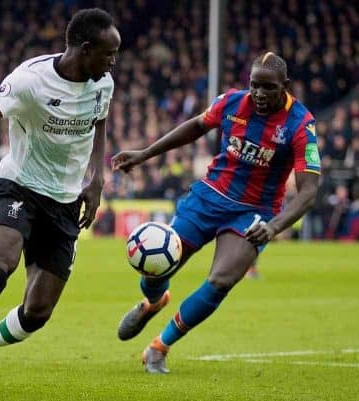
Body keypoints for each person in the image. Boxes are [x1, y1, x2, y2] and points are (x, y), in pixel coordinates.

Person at [0, 8, 120, 399]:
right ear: (85, 49)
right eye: (108, 53)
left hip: (66, 201)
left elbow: (99, 124)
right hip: (19, 186)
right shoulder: (30, 80)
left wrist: (97, 179)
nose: (113, 61)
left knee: (37, 312)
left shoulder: (103, 83)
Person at [112, 52, 321, 373]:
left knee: (221, 280)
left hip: (254, 212)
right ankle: (153, 301)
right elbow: (196, 126)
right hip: (209, 197)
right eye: (255, 86)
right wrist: (144, 154)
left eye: (268, 88)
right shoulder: (232, 103)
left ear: (286, 86)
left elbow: (308, 191)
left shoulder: (301, 124)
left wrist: (274, 227)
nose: (260, 94)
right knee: (156, 267)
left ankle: (159, 346)